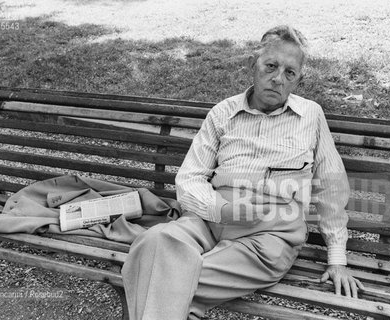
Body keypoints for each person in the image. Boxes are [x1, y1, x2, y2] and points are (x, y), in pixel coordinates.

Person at [121, 25, 364, 320]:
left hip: (268, 237)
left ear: (299, 79)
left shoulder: (311, 116)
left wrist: (337, 260)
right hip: (211, 219)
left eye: (290, 73)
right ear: (253, 65)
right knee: (153, 242)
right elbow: (190, 178)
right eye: (271, 66)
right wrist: (221, 209)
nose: (277, 79)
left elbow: (331, 187)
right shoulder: (222, 113)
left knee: (148, 269)